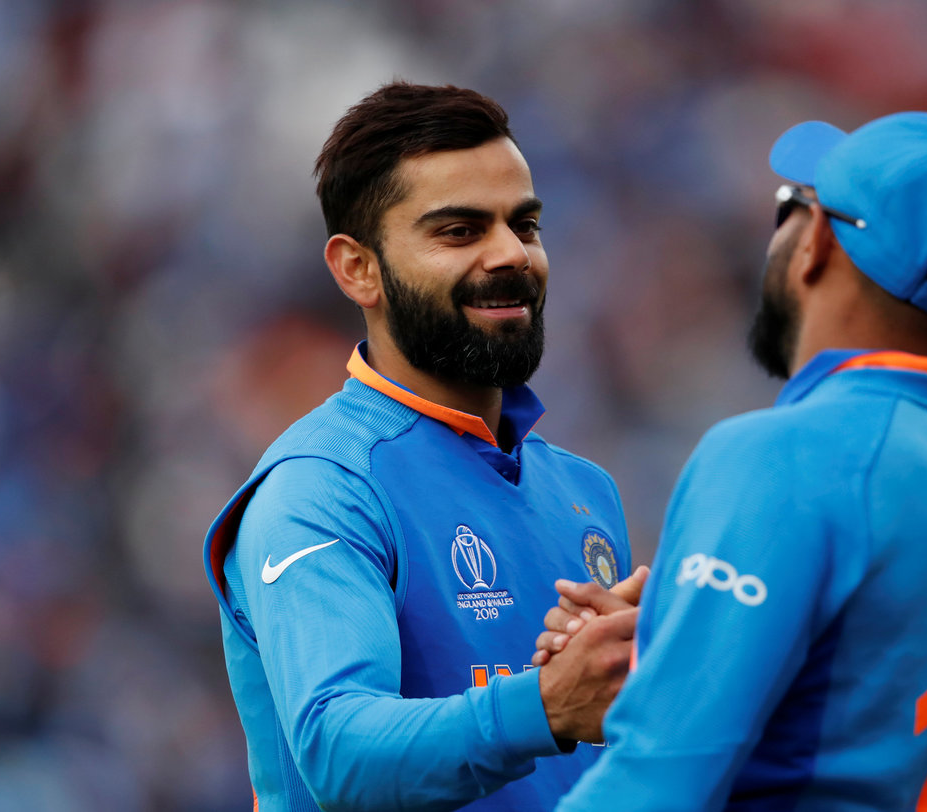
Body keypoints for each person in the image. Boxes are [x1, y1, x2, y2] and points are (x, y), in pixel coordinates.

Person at [549, 112, 927, 811]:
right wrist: (674, 637)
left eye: (792, 205)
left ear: (817, 243)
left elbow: (656, 780)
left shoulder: (777, 457)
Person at [203, 81, 644, 812]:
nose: (511, 254)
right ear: (358, 269)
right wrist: (545, 703)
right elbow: (340, 754)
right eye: (460, 231)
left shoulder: (583, 490)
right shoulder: (322, 488)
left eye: (525, 225)